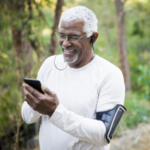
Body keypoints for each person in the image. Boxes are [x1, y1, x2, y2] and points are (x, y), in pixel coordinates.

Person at [22, 6, 126, 150]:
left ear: (93, 37)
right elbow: (28, 117)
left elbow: (104, 134)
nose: (65, 43)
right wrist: (34, 102)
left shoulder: (109, 74)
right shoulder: (49, 65)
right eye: (62, 35)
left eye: (74, 37)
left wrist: (54, 111)